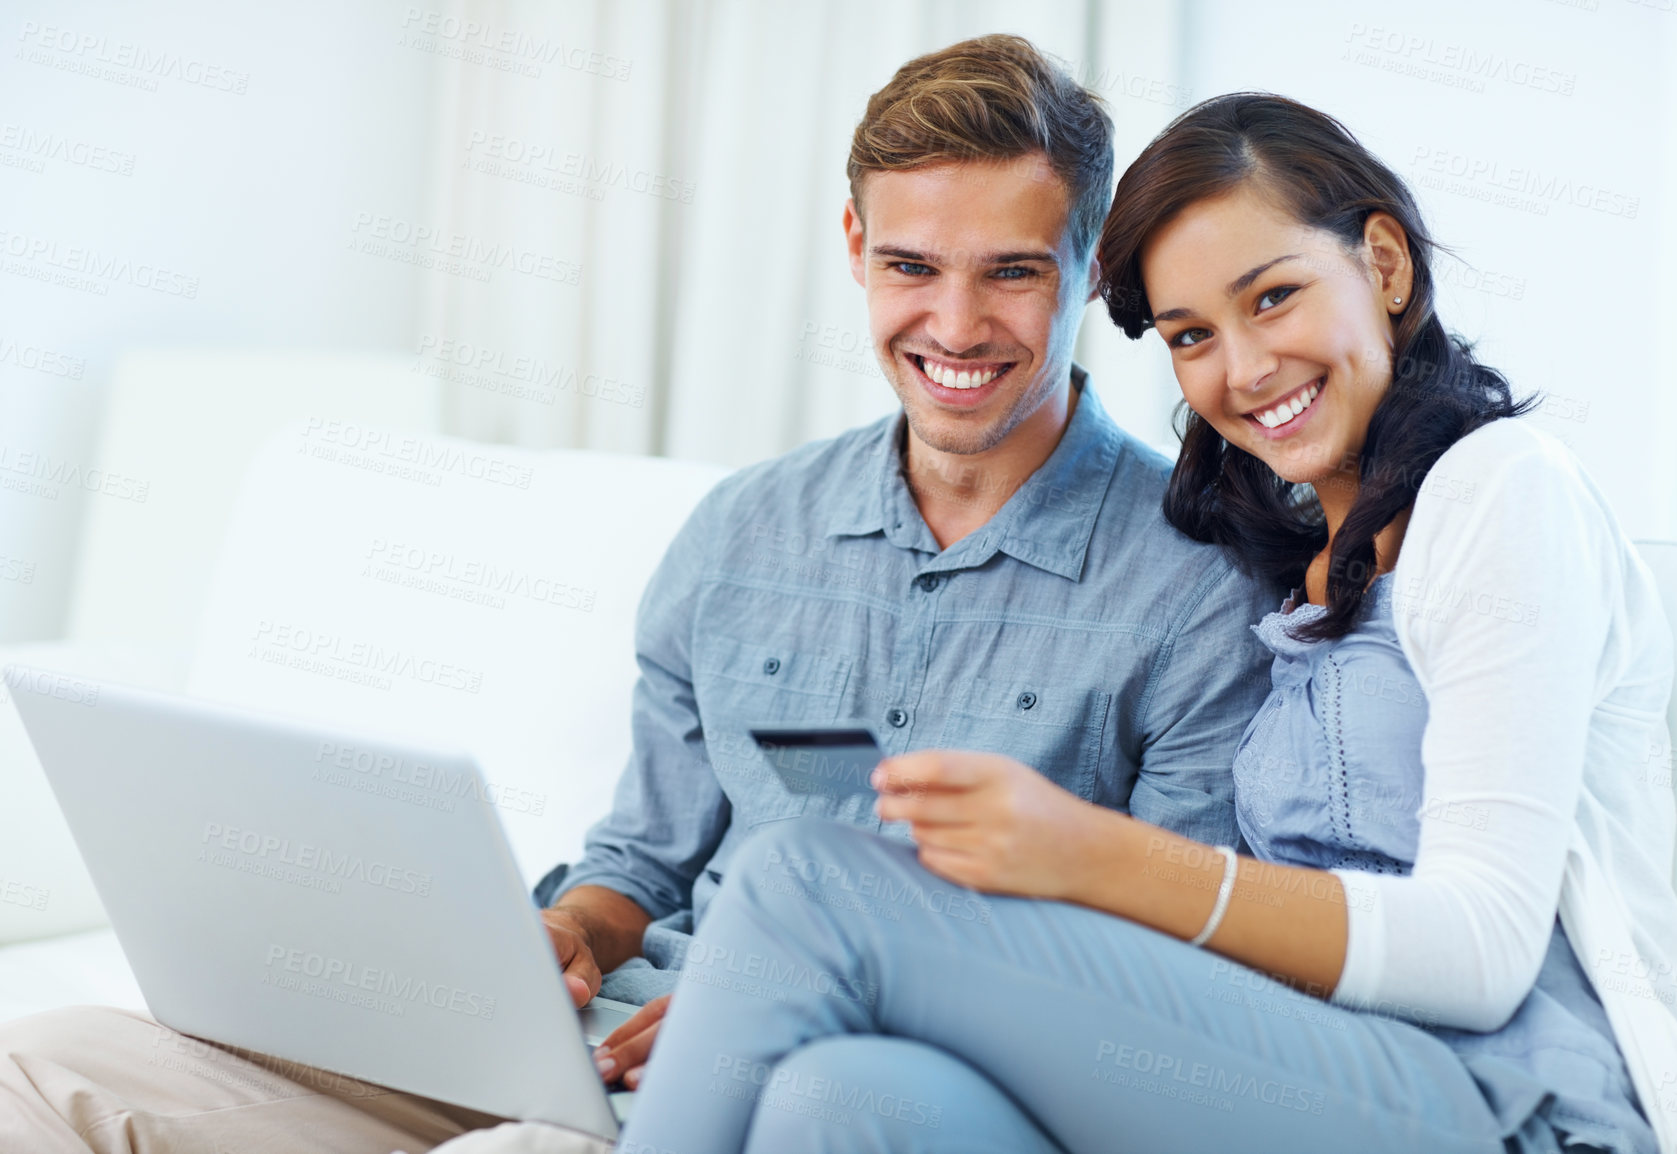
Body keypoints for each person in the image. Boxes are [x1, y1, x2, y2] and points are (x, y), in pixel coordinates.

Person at [0, 38, 1274, 1154]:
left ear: (1087, 267)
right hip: (598, 1040)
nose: (952, 322)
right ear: (852, 247)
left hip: (814, 1079)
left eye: (1011, 271)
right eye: (909, 266)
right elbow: (643, 860)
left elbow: (1153, 970)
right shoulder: (742, 531)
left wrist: (798, 1000)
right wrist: (566, 935)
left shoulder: (1195, 580)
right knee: (44, 1064)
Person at [615, 93, 1677, 1154]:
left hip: (1491, 1101)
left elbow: (1482, 952)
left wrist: (1090, 854)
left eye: (1274, 297)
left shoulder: (1502, 488)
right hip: (1273, 1068)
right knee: (842, 1096)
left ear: (1382, 263)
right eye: (1192, 335)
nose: (1242, 368)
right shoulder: (1282, 572)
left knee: (813, 877)